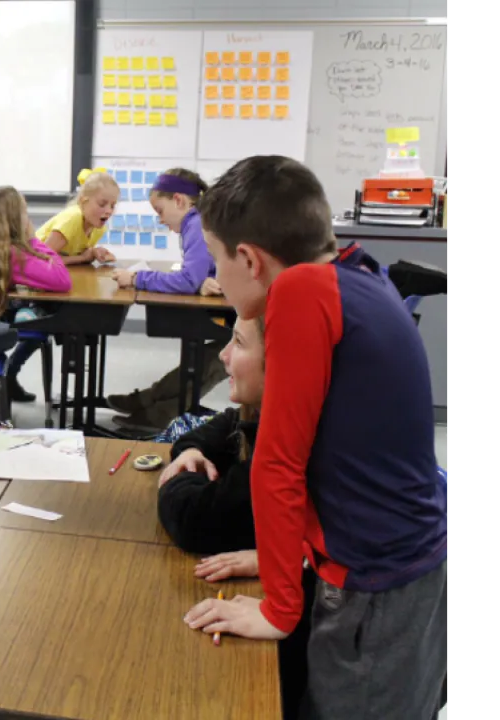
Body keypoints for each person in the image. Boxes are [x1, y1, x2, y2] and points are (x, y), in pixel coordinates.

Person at [183, 156, 450, 720]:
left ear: (250, 259)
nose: (214, 272)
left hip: (376, 586)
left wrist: (280, 608)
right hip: (403, 568)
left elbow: (279, 463)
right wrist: (288, 555)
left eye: (216, 257)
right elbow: (349, 449)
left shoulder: (301, 291)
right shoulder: (356, 270)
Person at [156, 316, 312, 719]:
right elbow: (210, 431)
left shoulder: (280, 448)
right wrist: (190, 451)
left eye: (239, 343)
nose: (223, 355)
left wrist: (176, 478)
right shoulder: (263, 412)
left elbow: (194, 520)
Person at [108, 169, 226, 428]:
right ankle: (152, 400)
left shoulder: (196, 223)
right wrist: (201, 282)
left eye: (160, 211)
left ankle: (158, 411)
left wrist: (138, 278)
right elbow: (197, 278)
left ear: (179, 200)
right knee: (206, 358)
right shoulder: (199, 221)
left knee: (216, 360)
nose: (160, 220)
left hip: (248, 315)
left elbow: (187, 281)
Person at [0, 186, 71, 402]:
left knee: (8, 324)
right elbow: (62, 280)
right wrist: (32, 239)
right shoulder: (13, 254)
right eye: (25, 213)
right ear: (14, 221)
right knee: (13, 330)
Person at [34, 168, 119, 265]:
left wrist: (93, 252)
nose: (109, 211)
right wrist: (82, 258)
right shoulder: (73, 219)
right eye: (102, 204)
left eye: (112, 206)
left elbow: (71, 254)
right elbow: (43, 259)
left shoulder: (99, 229)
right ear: (83, 201)